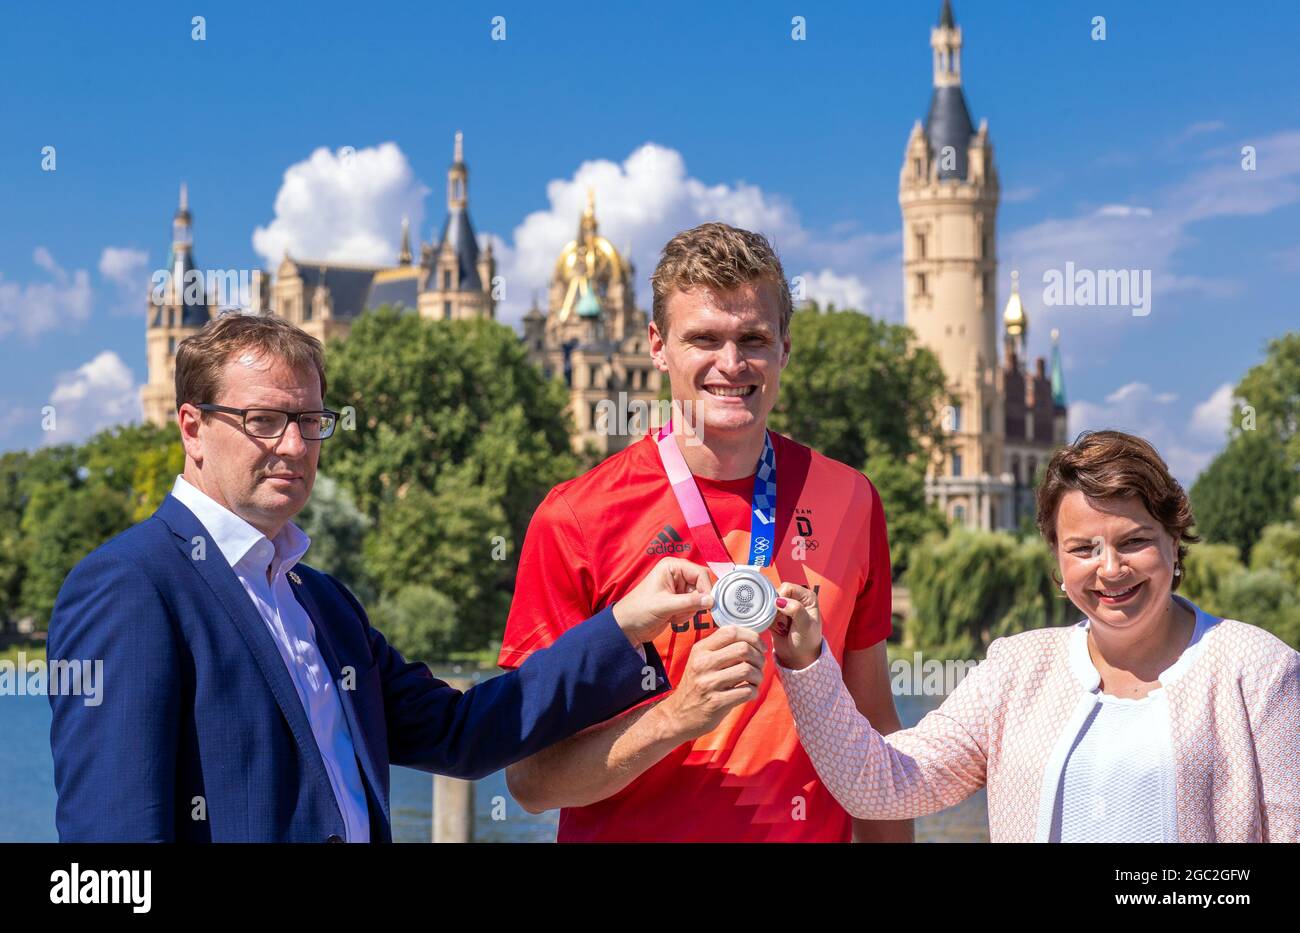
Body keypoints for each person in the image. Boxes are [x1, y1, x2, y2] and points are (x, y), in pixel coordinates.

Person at [46, 312, 729, 842]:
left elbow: (463, 732)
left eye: (310, 421)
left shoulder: (323, 602)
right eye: (262, 421)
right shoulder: (131, 586)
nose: (292, 446)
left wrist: (623, 625)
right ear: (191, 428)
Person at [499, 222, 909, 842]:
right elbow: (530, 783)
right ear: (657, 346)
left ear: (784, 349)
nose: (731, 364)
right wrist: (675, 718)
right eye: (704, 339)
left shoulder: (851, 499)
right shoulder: (575, 519)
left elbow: (876, 739)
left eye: (753, 338)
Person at [772, 429, 1300, 842]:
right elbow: (880, 786)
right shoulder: (1018, 668)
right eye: (1083, 548)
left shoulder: (1256, 670)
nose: (1110, 569)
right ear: (1057, 557)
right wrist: (807, 662)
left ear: (1174, 541)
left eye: (1135, 541)